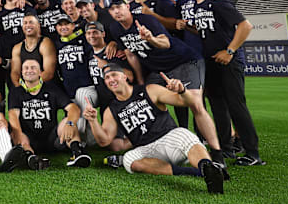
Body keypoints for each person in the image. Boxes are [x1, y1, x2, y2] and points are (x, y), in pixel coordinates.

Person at [107, 0, 225, 167]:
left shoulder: (146, 20)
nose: (116, 11)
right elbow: (131, 54)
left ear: (128, 7)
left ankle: (217, 155)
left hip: (184, 61)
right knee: (142, 102)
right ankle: (165, 146)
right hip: (160, 70)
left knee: (195, 103)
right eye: (112, 9)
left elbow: (166, 43)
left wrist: (151, 39)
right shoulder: (115, 29)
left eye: (119, 6)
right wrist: (140, 83)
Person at [83, 64, 225, 194]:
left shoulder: (150, 90)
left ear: (125, 76)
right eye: (107, 78)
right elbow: (104, 140)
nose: (111, 79)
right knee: (128, 159)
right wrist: (93, 121)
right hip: (147, 149)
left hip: (170, 137)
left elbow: (186, 102)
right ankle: (200, 172)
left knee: (185, 136)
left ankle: (209, 169)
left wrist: (182, 90)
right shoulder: (111, 109)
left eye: (114, 74)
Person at [177, 0, 263, 166]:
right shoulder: (198, 5)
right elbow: (207, 31)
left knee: (236, 106)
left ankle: (253, 153)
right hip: (211, 62)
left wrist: (230, 51)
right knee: (217, 106)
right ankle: (227, 148)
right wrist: (189, 27)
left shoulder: (217, 0)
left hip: (229, 62)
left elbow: (245, 26)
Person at [8, 59, 91, 169]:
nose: (29, 70)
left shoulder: (51, 89)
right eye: (26, 68)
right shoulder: (16, 92)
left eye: (33, 67)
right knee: (16, 131)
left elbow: (73, 108)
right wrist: (17, 135)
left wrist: (70, 123)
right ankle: (31, 158)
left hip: (53, 139)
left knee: (68, 121)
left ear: (40, 72)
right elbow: (13, 115)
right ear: (22, 73)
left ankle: (78, 152)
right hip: (28, 139)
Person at [10, 15, 56, 87]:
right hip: (26, 87)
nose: (28, 25)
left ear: (38, 25)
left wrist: (31, 86)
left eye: (31, 22)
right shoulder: (17, 48)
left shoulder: (46, 43)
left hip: (46, 86)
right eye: (25, 23)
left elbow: (49, 73)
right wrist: (20, 86)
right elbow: (15, 72)